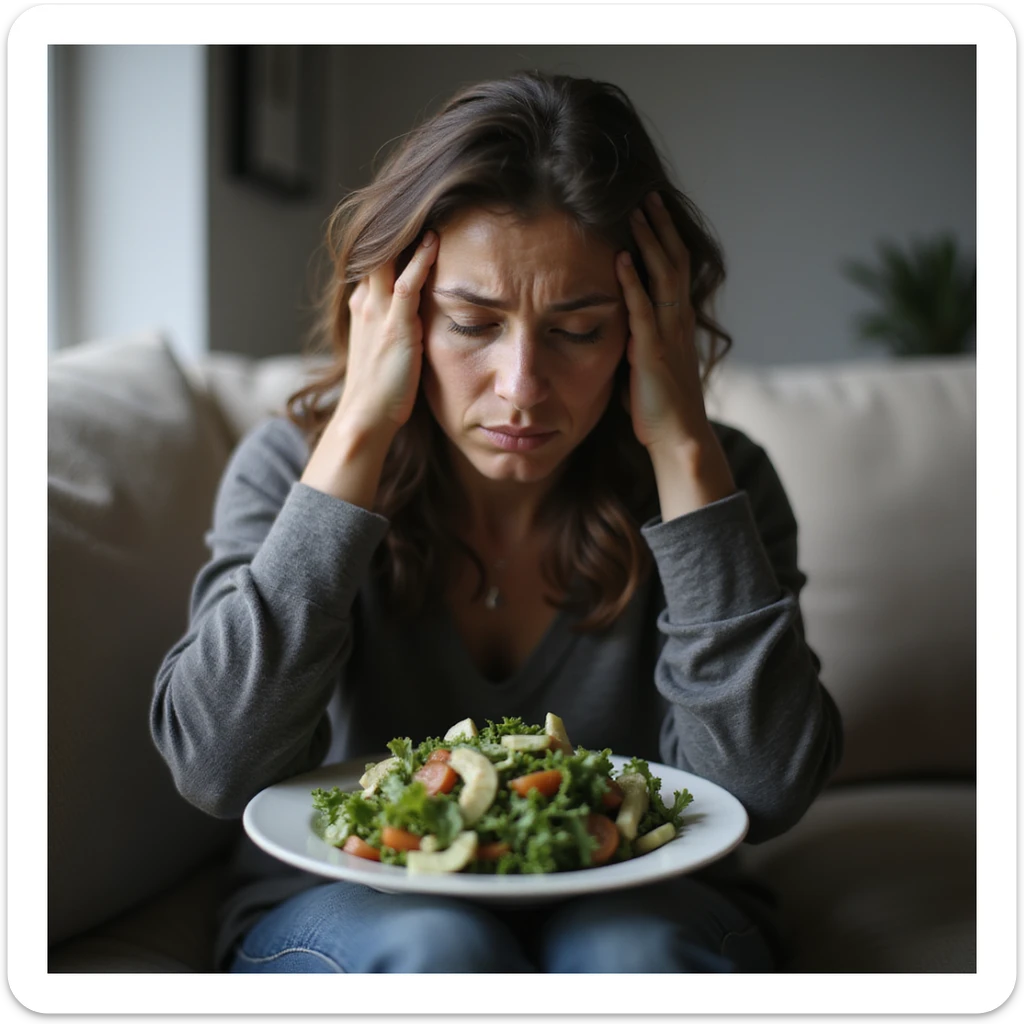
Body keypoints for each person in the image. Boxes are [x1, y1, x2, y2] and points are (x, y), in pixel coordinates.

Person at [151, 70, 843, 974]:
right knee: (438, 945)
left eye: (579, 330)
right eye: (472, 323)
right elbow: (215, 767)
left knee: (630, 954)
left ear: (646, 331)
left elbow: (765, 788)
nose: (521, 388)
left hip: (647, 908)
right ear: (393, 315)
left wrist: (684, 451)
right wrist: (359, 428)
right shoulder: (292, 468)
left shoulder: (725, 479)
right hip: (361, 914)